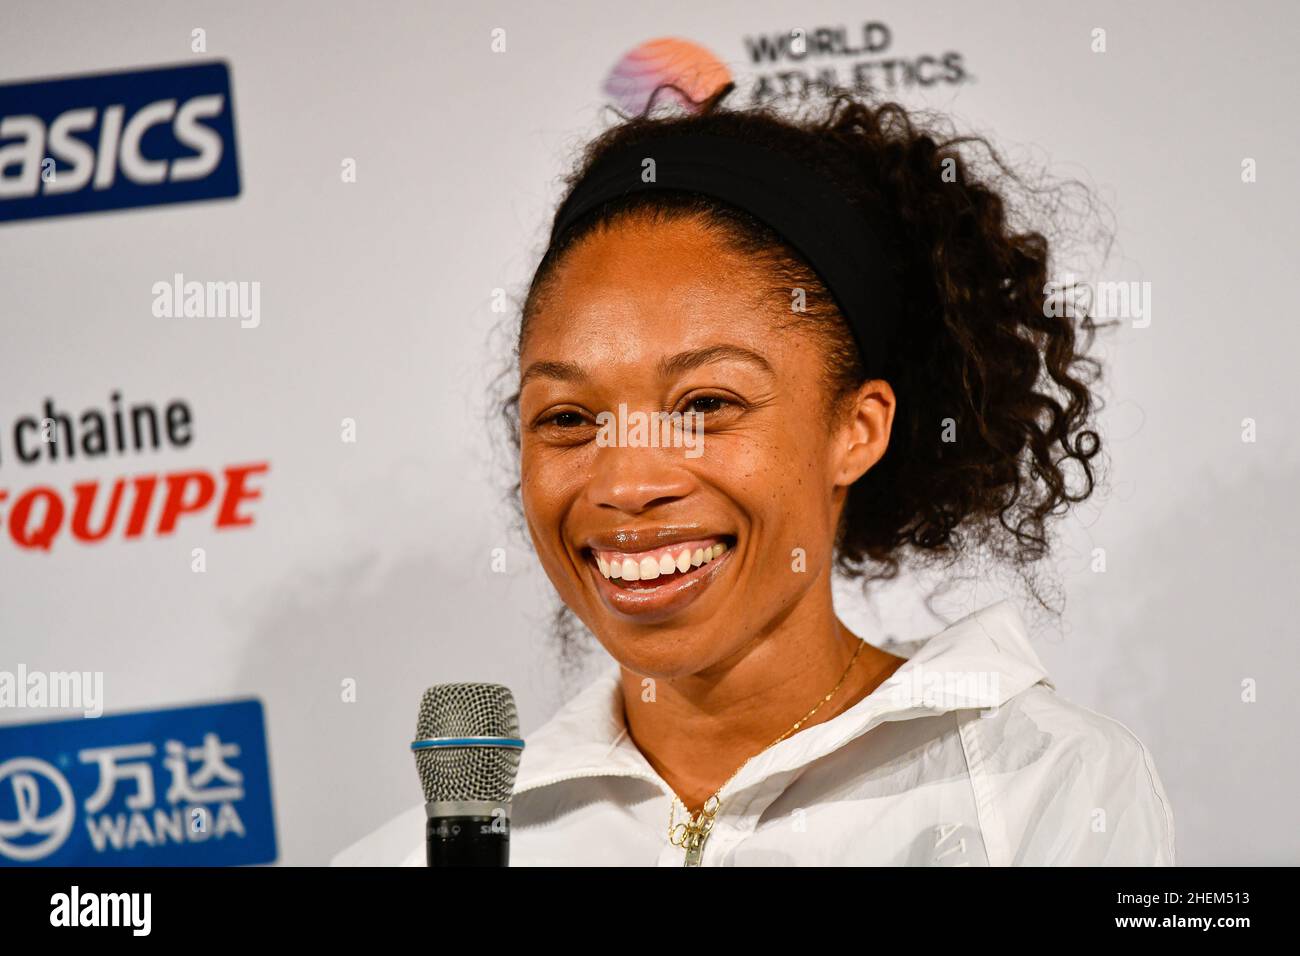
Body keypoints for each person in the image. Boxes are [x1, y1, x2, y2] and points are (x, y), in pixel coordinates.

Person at [335, 82, 1174, 866]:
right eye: (568, 419)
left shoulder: (1046, 786)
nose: (626, 484)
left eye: (704, 405)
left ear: (857, 428)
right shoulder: (411, 857)